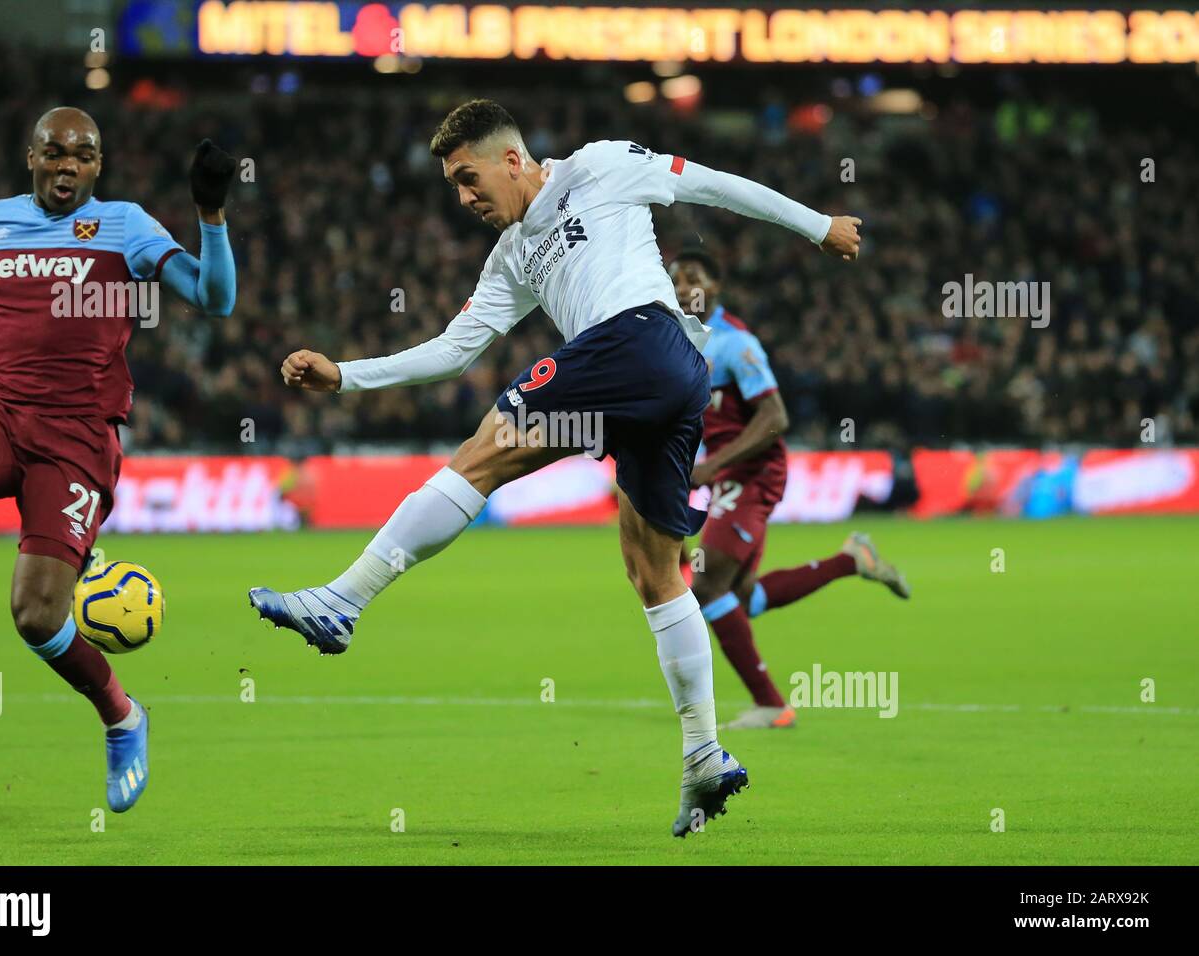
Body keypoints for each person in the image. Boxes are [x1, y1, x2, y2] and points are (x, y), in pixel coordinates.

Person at [249, 99, 860, 836]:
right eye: (453, 187)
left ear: (512, 159)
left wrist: (817, 225)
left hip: (636, 339)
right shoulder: (510, 256)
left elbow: (710, 182)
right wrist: (346, 375)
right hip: (668, 387)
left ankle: (344, 600)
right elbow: (453, 349)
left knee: (481, 455)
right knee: (653, 570)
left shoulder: (601, 165)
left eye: (469, 179)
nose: (465, 198)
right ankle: (704, 752)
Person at [0, 108, 237, 812]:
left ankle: (122, 716)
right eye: (54, 153)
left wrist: (211, 213)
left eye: (82, 156)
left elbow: (215, 299)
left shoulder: (127, 226)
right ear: (31, 156)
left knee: (36, 617)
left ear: (98, 166)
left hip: (77, 441)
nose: (67, 166)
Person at [670, 249, 910, 732]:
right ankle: (851, 559)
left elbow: (775, 417)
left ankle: (770, 703)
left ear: (715, 286)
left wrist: (710, 466)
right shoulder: (682, 340)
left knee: (708, 586)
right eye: (674, 279)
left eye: (692, 278)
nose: (681, 287)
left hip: (754, 472)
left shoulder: (736, 345)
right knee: (739, 594)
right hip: (730, 474)